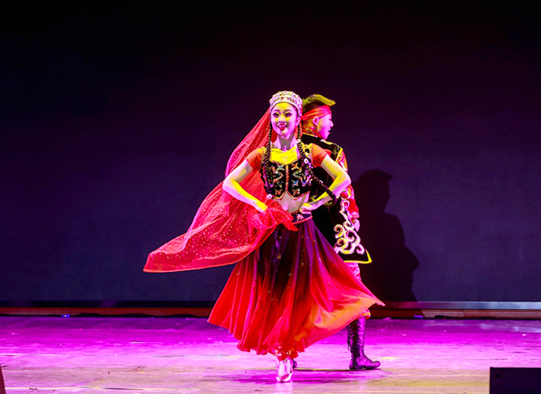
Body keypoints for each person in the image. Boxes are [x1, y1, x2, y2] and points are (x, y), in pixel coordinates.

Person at [144, 91, 382, 383]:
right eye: (276, 114)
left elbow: (342, 178)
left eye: (287, 114)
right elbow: (230, 183)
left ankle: (306, 351)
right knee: (275, 294)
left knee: (309, 293)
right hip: (272, 231)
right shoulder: (262, 154)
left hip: (304, 231)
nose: (281, 119)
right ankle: (284, 355)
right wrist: (258, 204)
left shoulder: (312, 152)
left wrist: (318, 202)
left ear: (298, 118)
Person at [300, 94, 380, 370]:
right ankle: (357, 355)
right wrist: (352, 220)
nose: (332, 124)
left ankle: (287, 354)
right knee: (353, 288)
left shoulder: (287, 151)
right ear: (314, 121)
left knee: (295, 290)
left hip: (300, 224)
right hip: (334, 227)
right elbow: (345, 190)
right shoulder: (331, 151)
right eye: (328, 119)